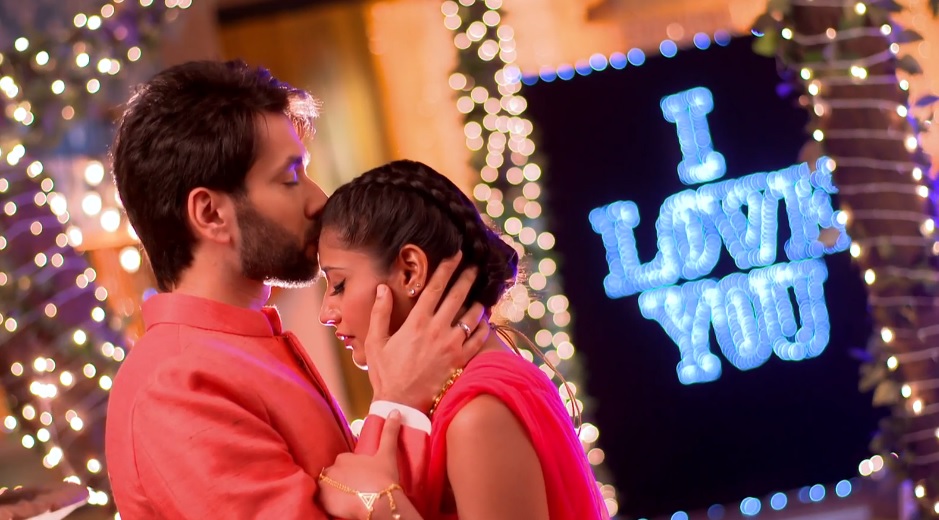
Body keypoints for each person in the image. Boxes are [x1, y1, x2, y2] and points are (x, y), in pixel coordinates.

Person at [104, 60, 488, 519]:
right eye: (290, 178)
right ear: (210, 214)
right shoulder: (176, 385)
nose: (319, 200)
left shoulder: (239, 345)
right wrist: (398, 401)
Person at [314, 160, 609, 520]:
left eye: (339, 284)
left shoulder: (479, 415)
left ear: (410, 271)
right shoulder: (456, 395)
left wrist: (377, 504)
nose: (326, 313)